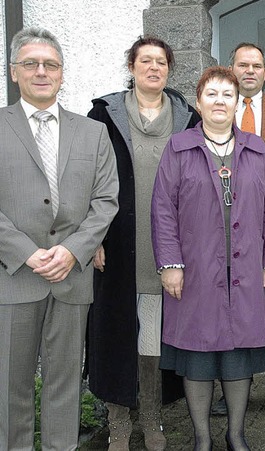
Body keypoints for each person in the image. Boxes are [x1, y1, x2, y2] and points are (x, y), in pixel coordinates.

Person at [151, 66, 265, 451]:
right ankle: (202, 439)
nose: (219, 101)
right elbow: (162, 211)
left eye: (227, 95)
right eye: (211, 94)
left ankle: (236, 435)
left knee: (238, 356)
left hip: (245, 270)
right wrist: (170, 265)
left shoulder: (257, 150)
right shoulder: (178, 149)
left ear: (236, 103)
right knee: (197, 355)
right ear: (198, 102)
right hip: (194, 271)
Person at [0, 27, 119, 450]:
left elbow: (106, 201)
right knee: (10, 390)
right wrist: (28, 254)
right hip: (14, 279)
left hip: (72, 278)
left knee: (65, 386)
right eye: (30, 63)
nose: (41, 72)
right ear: (14, 72)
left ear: (62, 73)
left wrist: (72, 251)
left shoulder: (93, 133)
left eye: (50, 64)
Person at [85, 36, 200, 450]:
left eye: (161, 62)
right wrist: (91, 239)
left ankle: (151, 420)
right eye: (145, 61)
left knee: (153, 339)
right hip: (115, 245)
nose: (154, 68)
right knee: (116, 336)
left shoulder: (188, 118)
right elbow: (86, 180)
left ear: (170, 69)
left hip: (166, 246)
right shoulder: (103, 115)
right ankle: (118, 424)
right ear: (131, 67)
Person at [206, 42, 265, 419]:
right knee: (228, 309)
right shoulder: (216, 110)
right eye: (242, 65)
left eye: (256, 66)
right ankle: (230, 386)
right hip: (224, 230)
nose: (249, 71)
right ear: (231, 69)